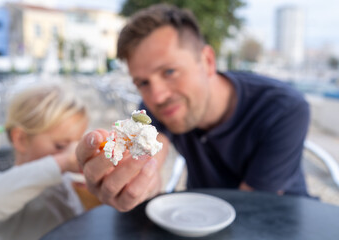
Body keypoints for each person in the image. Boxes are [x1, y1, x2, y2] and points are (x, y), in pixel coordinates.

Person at [76, 4, 311, 212]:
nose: (157, 97)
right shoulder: (153, 107)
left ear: (207, 61)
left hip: (280, 219)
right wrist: (134, 186)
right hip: (199, 214)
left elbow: (252, 207)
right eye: (143, 83)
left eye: (169, 71)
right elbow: (150, 163)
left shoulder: (283, 108)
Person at [0, 83, 90, 240]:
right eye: (61, 145)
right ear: (21, 139)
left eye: (77, 142)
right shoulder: (9, 189)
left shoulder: (63, 181)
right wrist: (62, 162)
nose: (73, 153)